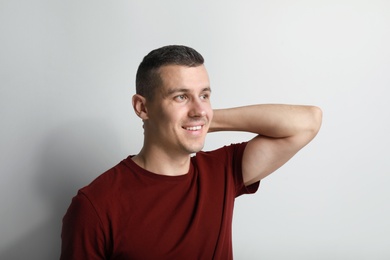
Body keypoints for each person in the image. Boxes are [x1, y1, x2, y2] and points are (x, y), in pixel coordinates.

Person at [60, 45, 322, 259]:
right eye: (181, 97)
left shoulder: (222, 171)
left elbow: (308, 121)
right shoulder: (95, 205)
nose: (199, 107)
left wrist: (200, 121)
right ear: (142, 108)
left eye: (204, 95)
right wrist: (190, 122)